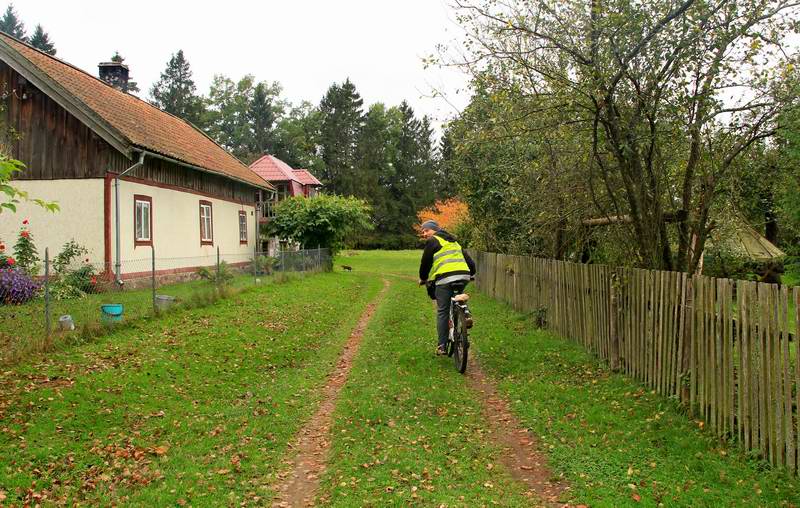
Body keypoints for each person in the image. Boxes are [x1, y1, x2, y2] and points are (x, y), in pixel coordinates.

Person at [418, 220, 476, 355]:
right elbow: (469, 261)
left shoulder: (433, 240)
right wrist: (471, 274)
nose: (425, 234)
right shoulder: (454, 241)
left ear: (435, 229)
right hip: (463, 276)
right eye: (423, 232)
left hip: (445, 279)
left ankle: (442, 345)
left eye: (427, 230)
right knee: (457, 297)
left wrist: (423, 278)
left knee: (443, 311)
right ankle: (465, 313)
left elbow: (425, 262)